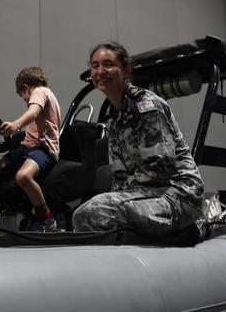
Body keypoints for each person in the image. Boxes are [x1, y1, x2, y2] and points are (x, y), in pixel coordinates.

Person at [72, 41, 204, 235]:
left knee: (92, 212)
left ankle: (183, 232)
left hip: (177, 196)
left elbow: (160, 169)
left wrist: (117, 195)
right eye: (95, 65)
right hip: (147, 196)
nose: (100, 71)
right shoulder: (115, 119)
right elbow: (120, 177)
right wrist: (118, 194)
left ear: (126, 70)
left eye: (108, 64)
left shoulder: (148, 106)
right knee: (88, 212)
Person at [0, 66, 62, 232]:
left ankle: (46, 218)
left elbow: (33, 112)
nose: (25, 101)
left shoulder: (40, 91)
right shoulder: (45, 94)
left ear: (25, 87)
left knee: (23, 176)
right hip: (27, 147)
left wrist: (16, 125)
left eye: (23, 97)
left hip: (43, 149)